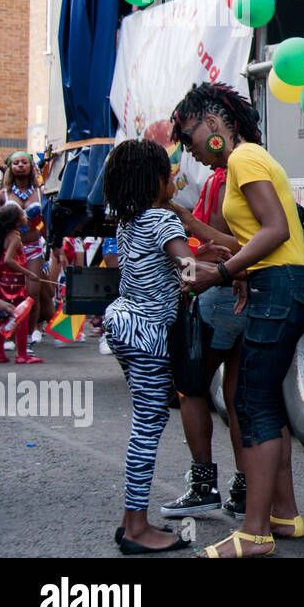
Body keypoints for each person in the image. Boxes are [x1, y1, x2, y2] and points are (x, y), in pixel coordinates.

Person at [174, 83, 304, 558]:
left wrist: (219, 272)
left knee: (251, 402)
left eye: (190, 138)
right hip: (283, 285)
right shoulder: (244, 162)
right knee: (261, 403)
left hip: (281, 286)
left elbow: (276, 231)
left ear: (214, 124)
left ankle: (255, 532)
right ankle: (283, 515)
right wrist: (198, 236)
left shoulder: (245, 159)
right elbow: (253, 241)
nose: (192, 153)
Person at [101, 138, 193, 554]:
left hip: (120, 324)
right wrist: (229, 269)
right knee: (147, 426)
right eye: (166, 171)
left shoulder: (129, 221)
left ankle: (129, 520)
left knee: (146, 420)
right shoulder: (164, 221)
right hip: (148, 333)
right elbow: (188, 269)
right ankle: (137, 528)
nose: (173, 176)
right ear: (151, 180)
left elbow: (158, 266)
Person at [160, 164, 249, 519]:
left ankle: (203, 486)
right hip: (247, 292)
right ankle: (245, 489)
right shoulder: (244, 176)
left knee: (190, 387)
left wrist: (191, 234)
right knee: (236, 392)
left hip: (219, 293)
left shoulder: (229, 179)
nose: (188, 149)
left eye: (187, 135)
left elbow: (220, 251)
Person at [0, 152, 53, 348]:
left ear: (30, 166)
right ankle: (8, 335)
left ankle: (29, 332)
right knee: (8, 292)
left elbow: (47, 222)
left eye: (24, 162)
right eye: (16, 163)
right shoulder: (3, 195)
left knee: (32, 291)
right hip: (9, 248)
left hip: (34, 246)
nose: (20, 166)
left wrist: (56, 246)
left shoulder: (41, 193)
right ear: (10, 168)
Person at [0, 205, 42, 364]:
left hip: (0, 280)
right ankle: (22, 354)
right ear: (16, 220)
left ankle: (1, 354)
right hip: (12, 282)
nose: (26, 216)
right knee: (21, 316)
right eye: (22, 214)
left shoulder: (3, 235)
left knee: (1, 316)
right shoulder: (15, 238)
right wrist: (29, 273)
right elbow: (8, 260)